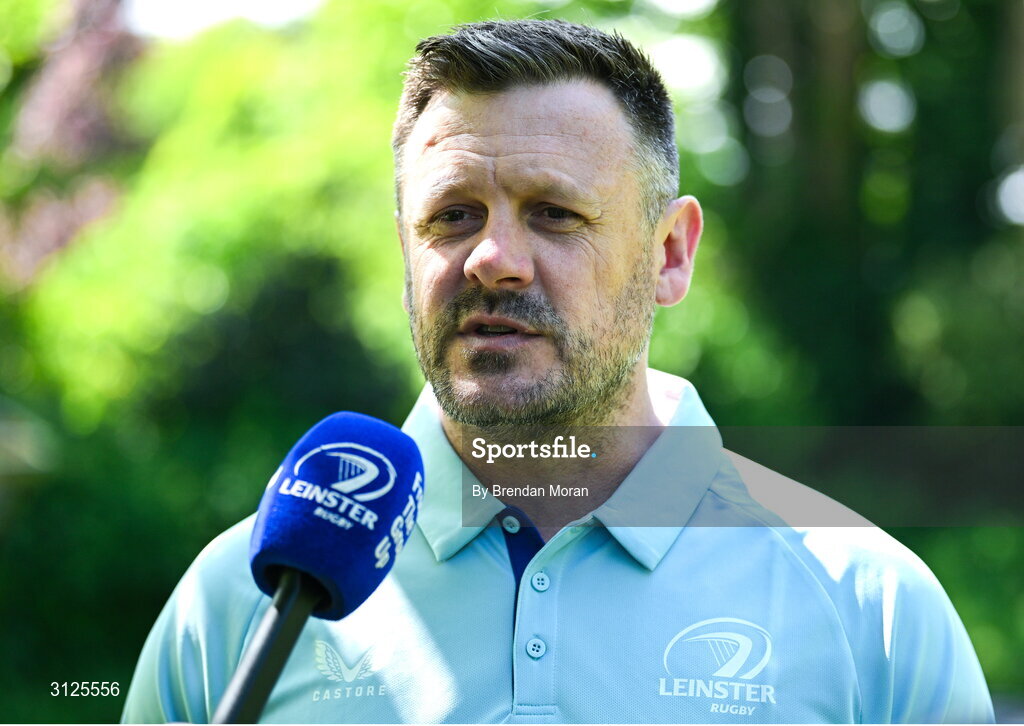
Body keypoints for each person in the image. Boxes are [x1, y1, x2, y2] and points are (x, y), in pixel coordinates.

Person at [121, 19, 994, 724]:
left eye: (555, 213)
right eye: (453, 215)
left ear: (669, 253)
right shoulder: (247, 602)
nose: (493, 258)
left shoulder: (870, 610)